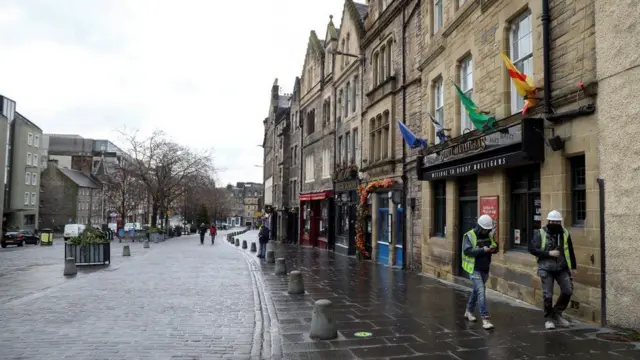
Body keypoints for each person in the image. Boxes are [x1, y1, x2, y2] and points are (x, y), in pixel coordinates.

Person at [529, 210, 577, 330]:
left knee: (568, 290)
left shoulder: (565, 232)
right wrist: (549, 253)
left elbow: (570, 250)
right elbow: (532, 249)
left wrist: (573, 267)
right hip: (546, 268)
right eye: (553, 221)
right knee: (548, 294)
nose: (555, 223)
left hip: (562, 267)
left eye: (558, 221)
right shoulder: (540, 233)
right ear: (548, 221)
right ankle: (548, 318)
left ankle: (557, 313)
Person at [461, 214, 498, 330]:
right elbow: (467, 251)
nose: (488, 231)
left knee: (476, 291)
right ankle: (485, 319)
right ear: (480, 227)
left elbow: (495, 246)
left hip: (485, 268)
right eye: (486, 229)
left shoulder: (488, 235)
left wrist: (494, 247)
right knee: (481, 291)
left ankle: (468, 311)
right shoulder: (469, 236)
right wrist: (483, 250)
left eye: (489, 230)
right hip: (474, 269)